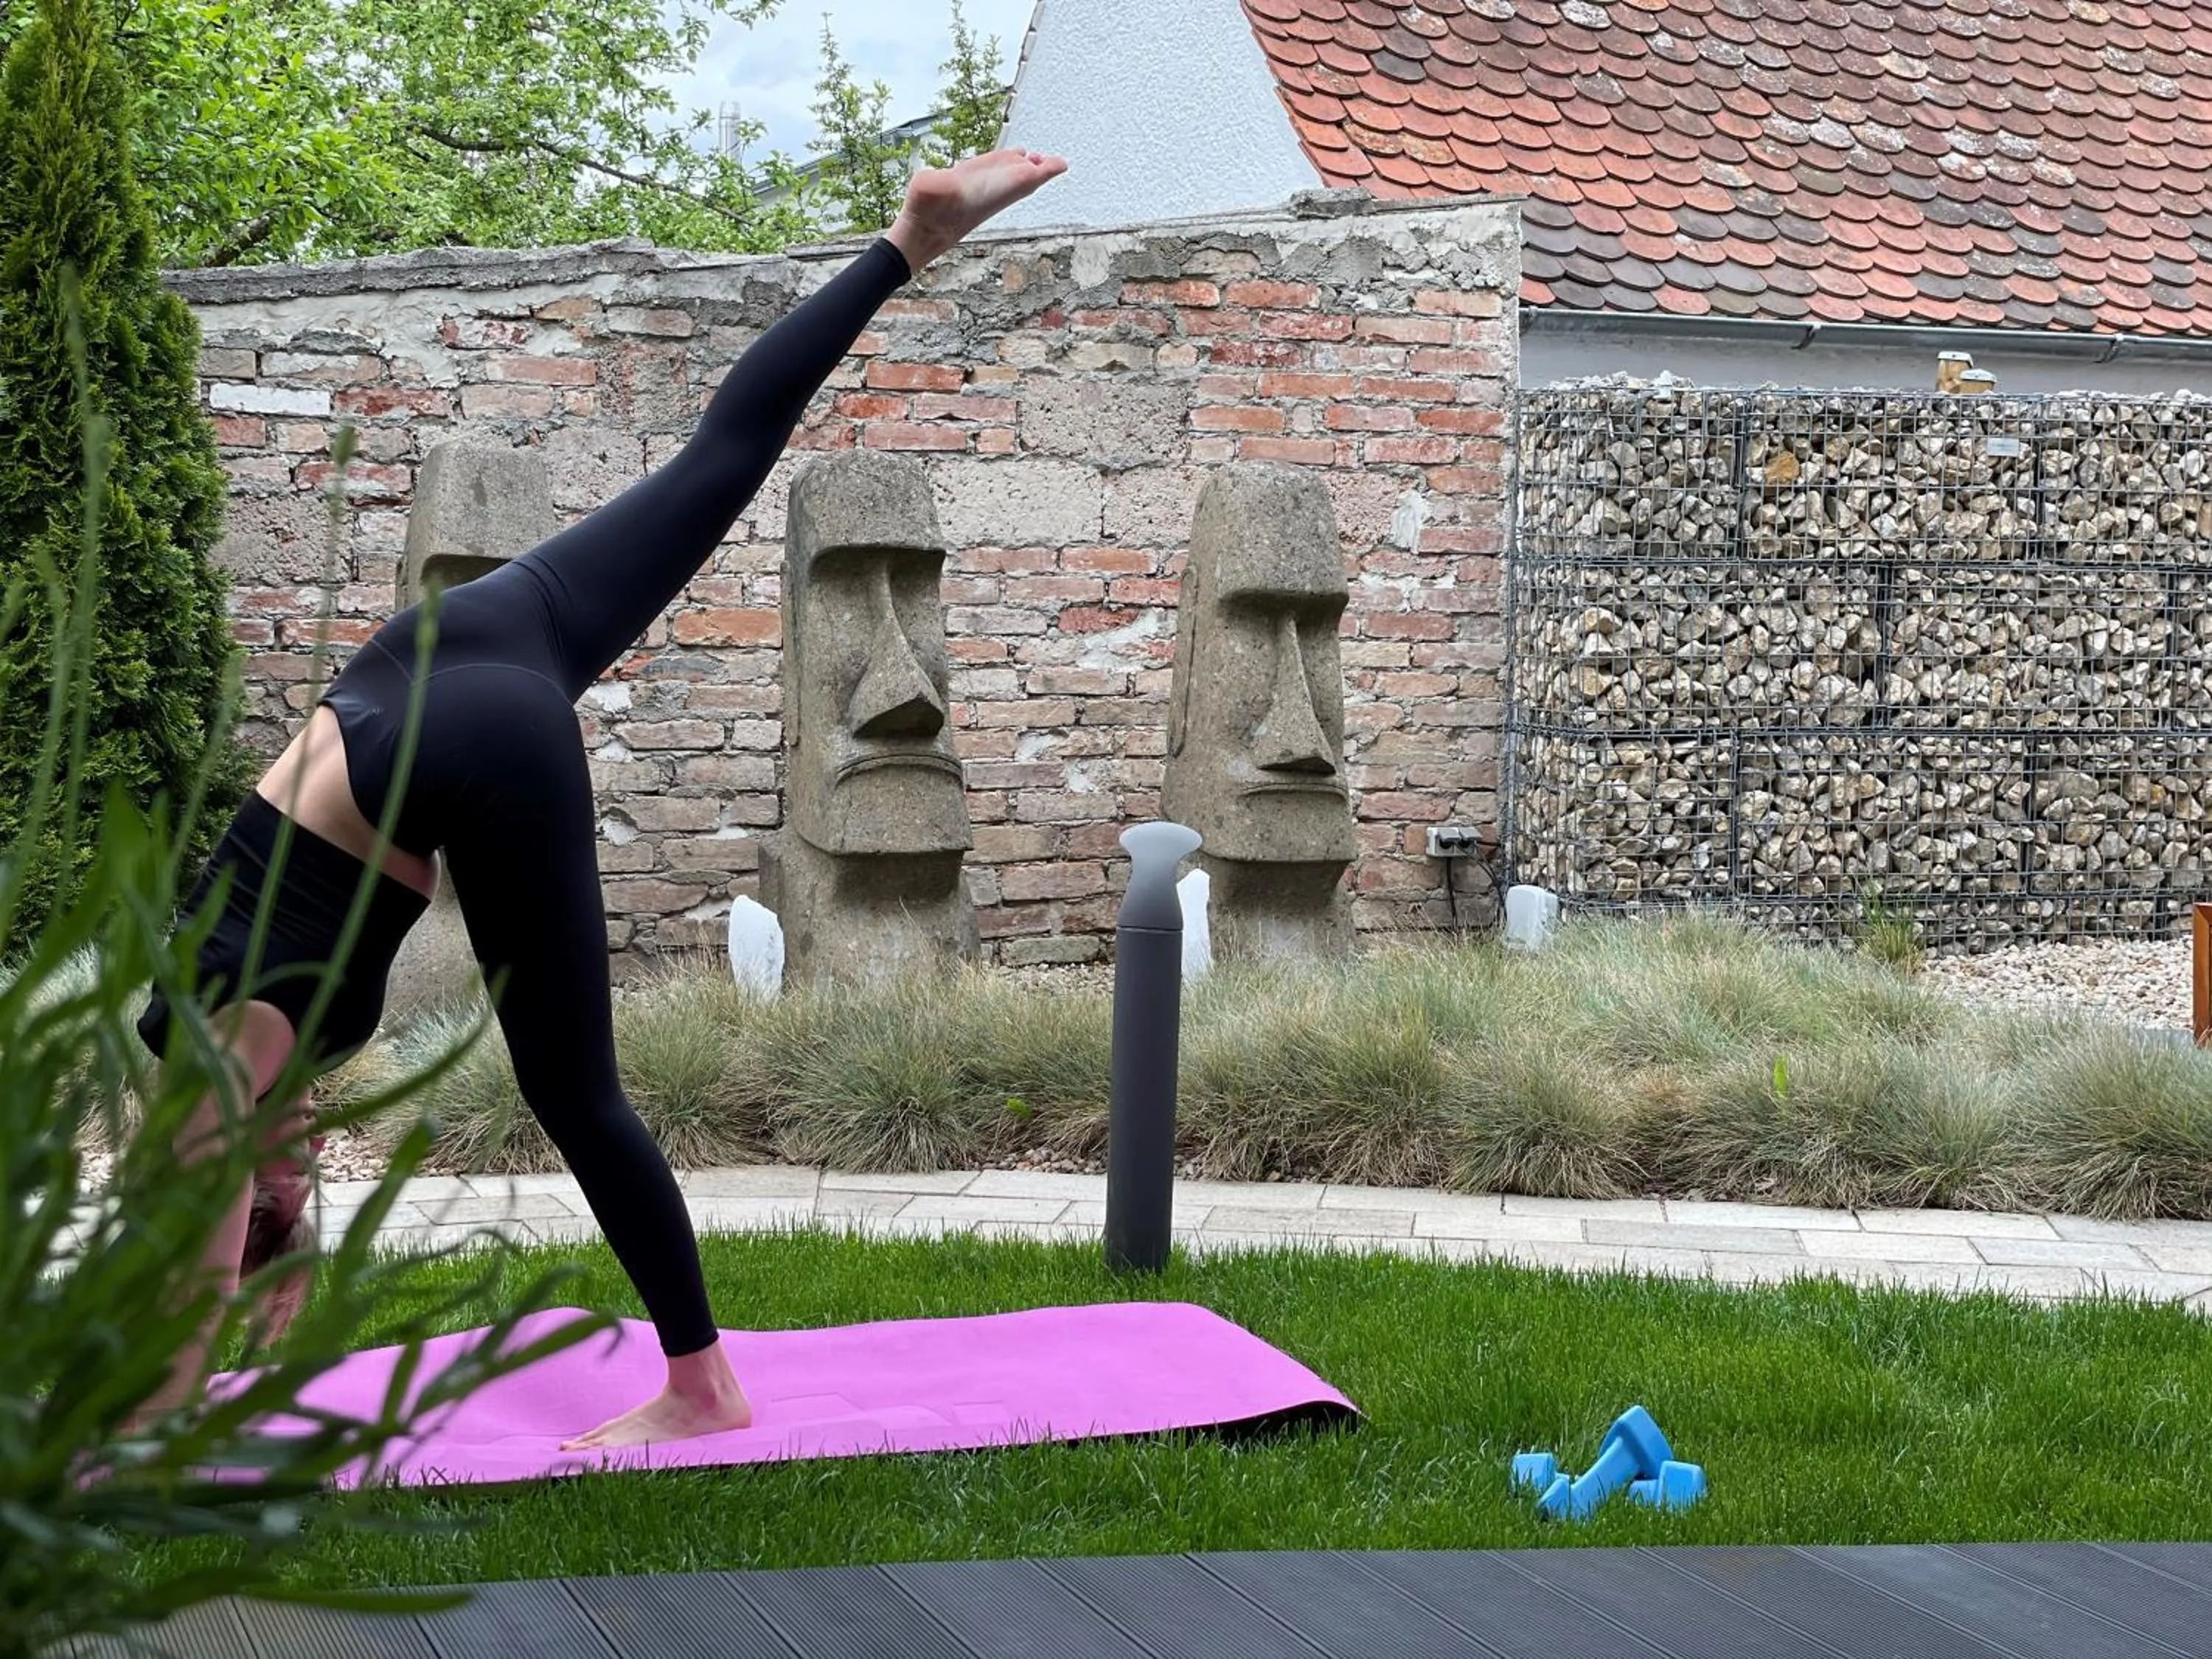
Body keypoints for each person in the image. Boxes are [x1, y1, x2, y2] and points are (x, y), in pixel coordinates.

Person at [132, 147, 1070, 1450]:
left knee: (578, 1094)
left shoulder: (211, 1062)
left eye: (271, 1192)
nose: (293, 1172)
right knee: (711, 465)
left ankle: (702, 1387)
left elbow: (188, 1275)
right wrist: (262, 1311)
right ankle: (906, 240)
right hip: (442, 657)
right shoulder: (237, 1046)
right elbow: (236, 1252)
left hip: (454, 728)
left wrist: (139, 1436)